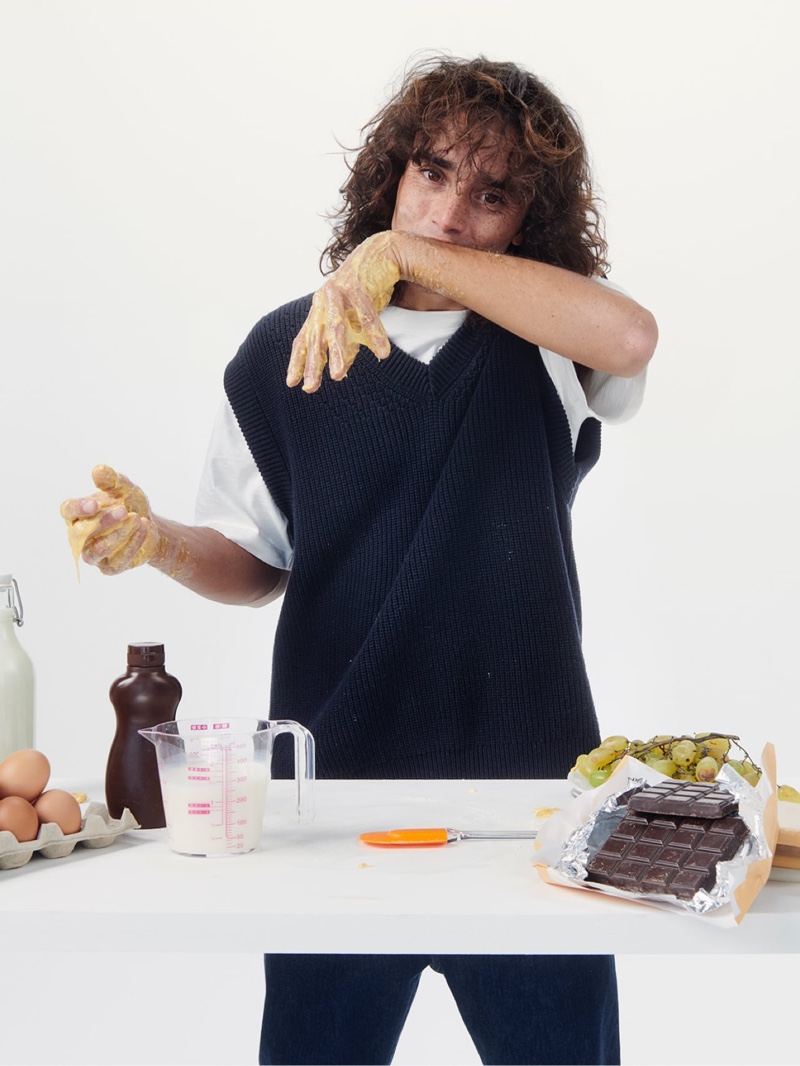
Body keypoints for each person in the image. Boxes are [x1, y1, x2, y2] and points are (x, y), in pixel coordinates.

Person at [62, 54, 657, 1066]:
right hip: (330, 804)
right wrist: (157, 540)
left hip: (531, 810)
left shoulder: (552, 341)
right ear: (389, 172)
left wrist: (396, 252)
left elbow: (632, 334)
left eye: (492, 193)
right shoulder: (279, 353)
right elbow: (255, 560)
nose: (449, 211)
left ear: (526, 223)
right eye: (430, 173)